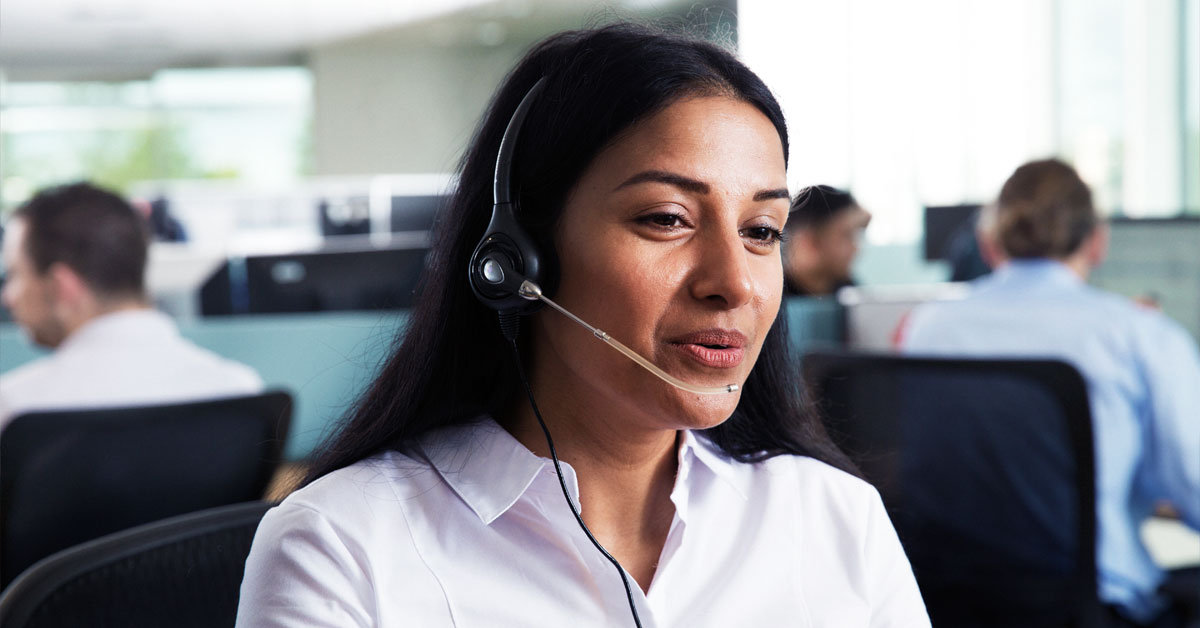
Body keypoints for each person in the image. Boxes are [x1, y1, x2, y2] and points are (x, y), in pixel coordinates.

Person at [236, 23, 929, 627]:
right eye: (666, 219)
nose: (735, 283)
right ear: (517, 258)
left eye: (761, 229)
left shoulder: (835, 519)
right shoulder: (343, 547)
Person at [899, 159, 1200, 627]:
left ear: (991, 242)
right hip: (1094, 608)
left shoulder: (925, 328)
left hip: (946, 604)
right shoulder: (1140, 335)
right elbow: (1192, 484)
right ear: (1097, 241)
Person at [0, 182, 263, 428]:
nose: (7, 297)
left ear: (62, 287)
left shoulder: (16, 408)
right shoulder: (239, 390)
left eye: (14, 274)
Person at [782, 184, 872, 296]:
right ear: (809, 242)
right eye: (846, 235)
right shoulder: (774, 297)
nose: (855, 249)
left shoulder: (849, 291)